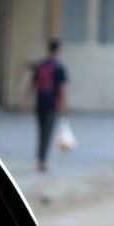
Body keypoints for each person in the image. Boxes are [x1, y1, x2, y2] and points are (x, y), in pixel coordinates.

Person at [30, 39, 68, 172]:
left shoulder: (40, 65)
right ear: (57, 51)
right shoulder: (58, 67)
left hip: (40, 102)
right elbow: (61, 88)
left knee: (41, 131)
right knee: (47, 132)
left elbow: (32, 84)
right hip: (52, 104)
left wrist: (26, 102)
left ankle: (41, 158)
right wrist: (63, 107)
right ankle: (42, 160)